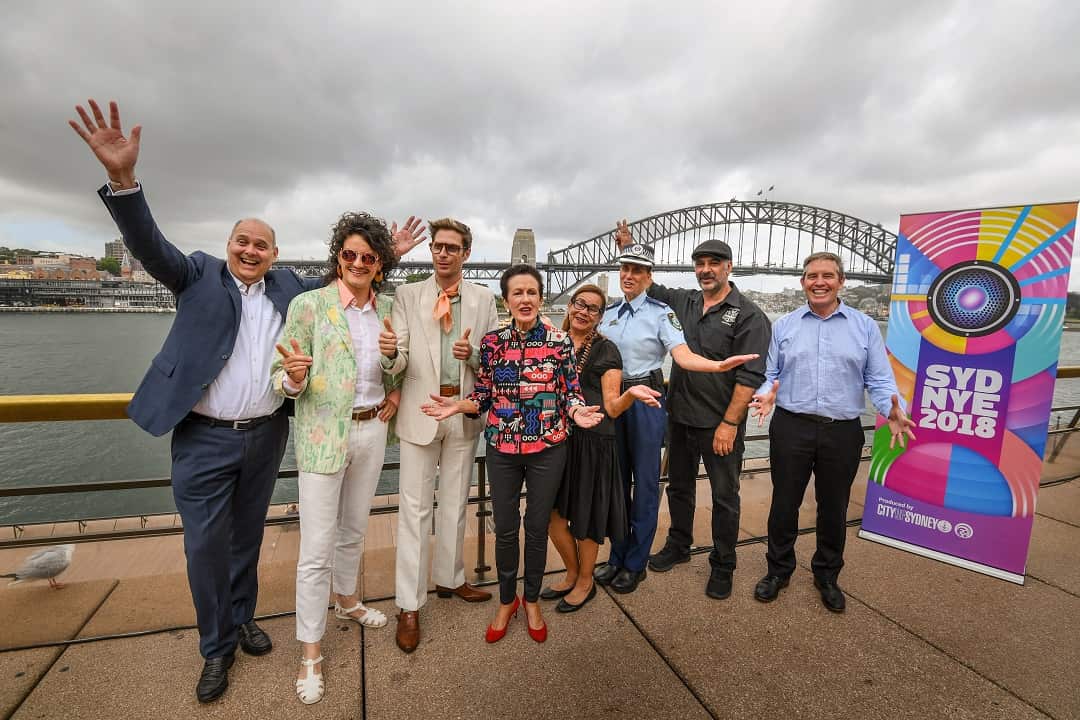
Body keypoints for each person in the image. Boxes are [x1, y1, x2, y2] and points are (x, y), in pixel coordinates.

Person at [68, 99, 424, 704]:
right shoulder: (197, 274)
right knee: (205, 544)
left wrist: (385, 251)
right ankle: (216, 648)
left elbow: (349, 285)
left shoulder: (293, 289)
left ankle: (243, 618)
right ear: (229, 245)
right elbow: (149, 245)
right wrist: (124, 182)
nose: (252, 250)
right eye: (243, 241)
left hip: (264, 434)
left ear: (276, 255)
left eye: (263, 244)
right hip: (204, 434)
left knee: (246, 539)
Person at [421, 265, 604, 643]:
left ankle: (532, 599)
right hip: (502, 450)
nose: (525, 299)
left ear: (540, 298)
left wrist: (576, 411)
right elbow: (485, 394)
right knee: (505, 529)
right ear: (507, 300)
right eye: (517, 293)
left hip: (547, 449)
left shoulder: (559, 342)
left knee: (536, 530)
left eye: (531, 292)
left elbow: (570, 391)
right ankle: (507, 600)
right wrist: (458, 406)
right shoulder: (492, 343)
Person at [272, 212, 406, 704]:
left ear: (380, 265)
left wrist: (392, 370)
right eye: (348, 254)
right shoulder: (309, 306)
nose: (357, 263)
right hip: (324, 436)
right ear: (337, 257)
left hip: (372, 430)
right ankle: (311, 650)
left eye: (368, 257)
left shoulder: (389, 308)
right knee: (316, 547)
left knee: (354, 529)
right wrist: (293, 377)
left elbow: (397, 369)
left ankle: (347, 600)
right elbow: (281, 378)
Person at [749, 252, 915, 613]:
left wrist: (891, 409)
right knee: (784, 503)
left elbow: (880, 378)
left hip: (842, 431)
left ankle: (826, 574)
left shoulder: (865, 326)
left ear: (841, 281)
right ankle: (778, 570)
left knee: (834, 507)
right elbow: (771, 374)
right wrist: (766, 395)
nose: (819, 282)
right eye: (812, 276)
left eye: (827, 275)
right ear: (803, 282)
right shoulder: (785, 326)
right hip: (792, 426)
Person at [614, 224, 771, 600]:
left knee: (724, 496)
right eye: (700, 263)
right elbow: (644, 281)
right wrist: (630, 246)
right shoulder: (682, 302)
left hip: (719, 423)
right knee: (679, 488)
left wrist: (730, 424)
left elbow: (749, 378)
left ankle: (723, 564)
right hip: (680, 417)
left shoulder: (750, 316)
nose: (706, 269)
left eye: (714, 263)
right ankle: (679, 545)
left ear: (728, 268)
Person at [379, 218, 499, 654]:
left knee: (454, 504)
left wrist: (473, 359)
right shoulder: (408, 296)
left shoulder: (485, 300)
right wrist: (390, 354)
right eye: (437, 246)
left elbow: (493, 365)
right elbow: (399, 359)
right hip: (419, 414)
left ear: (466, 253)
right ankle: (409, 605)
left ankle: (451, 578)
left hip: (462, 415)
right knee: (413, 512)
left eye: (452, 247)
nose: (443, 253)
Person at [542, 284, 661, 612]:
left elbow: (611, 406)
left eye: (593, 308)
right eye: (579, 304)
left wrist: (631, 395)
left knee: (586, 516)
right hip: (558, 439)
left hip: (594, 442)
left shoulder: (607, 350)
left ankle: (585, 581)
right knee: (551, 516)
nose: (584, 311)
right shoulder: (554, 343)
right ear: (569, 305)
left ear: (600, 317)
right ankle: (571, 572)